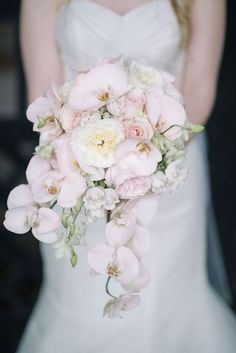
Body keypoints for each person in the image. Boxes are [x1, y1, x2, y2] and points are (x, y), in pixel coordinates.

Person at [17, 0, 236, 352]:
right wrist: (93, 166)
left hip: (170, 176)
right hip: (77, 177)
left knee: (169, 304)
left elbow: (199, 89)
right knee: (81, 302)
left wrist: (145, 163)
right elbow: (42, 95)